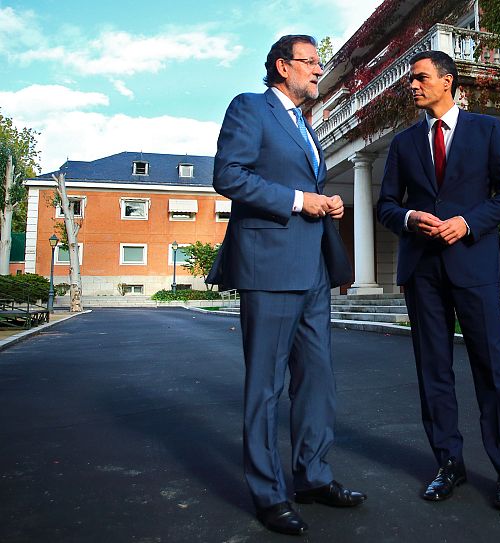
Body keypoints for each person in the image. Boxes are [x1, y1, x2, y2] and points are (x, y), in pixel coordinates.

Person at [208, 34, 365, 536]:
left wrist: (326, 202)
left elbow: (307, 185)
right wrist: (300, 200)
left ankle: (313, 477)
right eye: (312, 62)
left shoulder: (305, 126)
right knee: (266, 387)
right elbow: (228, 175)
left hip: (313, 270)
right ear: (282, 65)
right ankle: (269, 493)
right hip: (269, 267)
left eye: (320, 63)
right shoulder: (251, 109)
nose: (320, 70)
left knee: (318, 379)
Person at [377, 50, 500, 510]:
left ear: (447, 81)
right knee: (433, 371)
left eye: (420, 78)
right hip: (423, 272)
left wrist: (468, 223)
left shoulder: (486, 130)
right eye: (411, 80)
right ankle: (448, 464)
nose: (413, 86)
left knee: (492, 369)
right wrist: (408, 217)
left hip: (474, 266)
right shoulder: (403, 144)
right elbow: (385, 205)